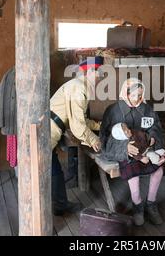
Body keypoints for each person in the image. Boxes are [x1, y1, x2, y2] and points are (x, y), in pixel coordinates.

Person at [100, 78, 165, 226]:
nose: (137, 99)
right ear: (125, 93)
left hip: (145, 148)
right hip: (127, 151)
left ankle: (151, 203)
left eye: (140, 95)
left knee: (158, 168)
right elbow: (105, 137)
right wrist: (124, 148)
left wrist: (152, 139)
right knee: (134, 174)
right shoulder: (112, 111)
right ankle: (137, 206)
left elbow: (155, 127)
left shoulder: (146, 109)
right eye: (133, 95)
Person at [49, 56, 103, 216]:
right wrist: (94, 139)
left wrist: (99, 125)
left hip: (51, 128)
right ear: (90, 71)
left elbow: (81, 119)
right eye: (98, 72)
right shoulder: (79, 88)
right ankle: (56, 206)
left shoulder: (78, 86)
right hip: (49, 130)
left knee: (54, 169)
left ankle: (60, 204)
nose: (100, 76)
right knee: (50, 170)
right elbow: (77, 125)